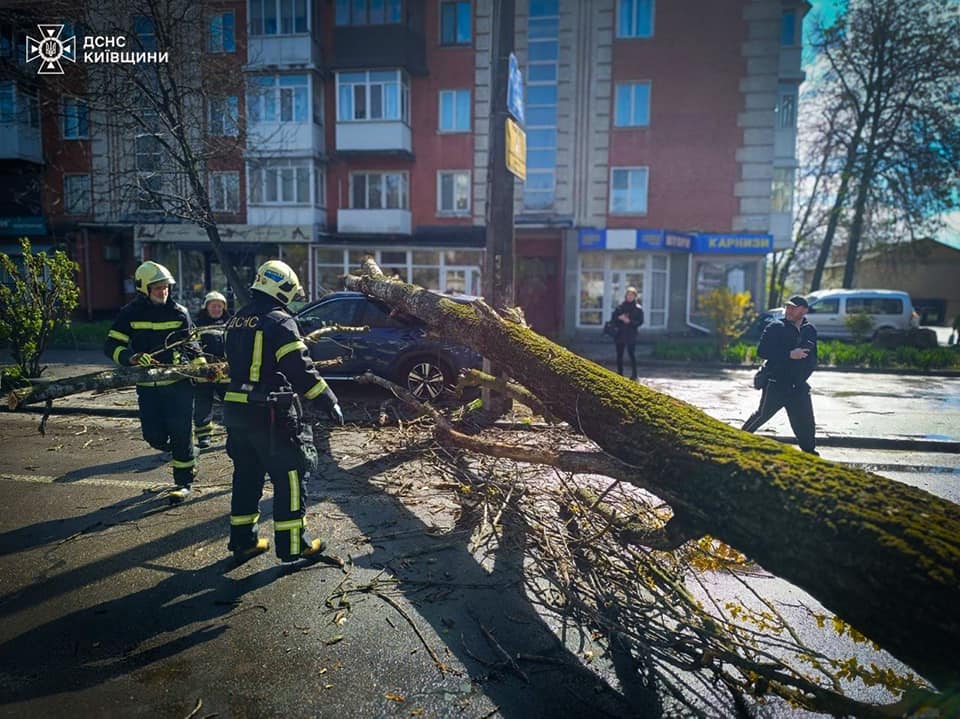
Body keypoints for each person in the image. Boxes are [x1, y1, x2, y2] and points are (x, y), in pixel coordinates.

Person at [223, 260, 344, 564]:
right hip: (269, 414)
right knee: (290, 474)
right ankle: (294, 545)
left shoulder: (238, 319)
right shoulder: (279, 321)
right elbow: (300, 369)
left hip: (235, 411)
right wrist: (328, 400)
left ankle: (243, 541)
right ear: (284, 288)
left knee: (246, 476)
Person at [104, 261, 202, 502]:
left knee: (181, 432)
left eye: (166, 287)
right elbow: (111, 346)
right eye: (158, 287)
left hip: (178, 385)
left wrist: (199, 365)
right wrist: (131, 358)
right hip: (148, 387)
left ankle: (184, 482)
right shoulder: (130, 314)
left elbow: (192, 345)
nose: (164, 291)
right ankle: (184, 452)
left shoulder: (179, 312)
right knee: (154, 436)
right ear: (143, 289)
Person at [741, 295, 818, 454]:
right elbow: (762, 352)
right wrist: (789, 354)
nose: (789, 310)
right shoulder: (775, 327)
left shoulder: (809, 330)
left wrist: (804, 375)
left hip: (799, 386)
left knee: (806, 423)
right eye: (788, 307)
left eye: (793, 308)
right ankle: (735, 441)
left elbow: (812, 358)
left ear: (804, 310)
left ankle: (810, 453)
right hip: (777, 384)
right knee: (761, 416)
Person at [193, 291, 231, 449]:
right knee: (203, 405)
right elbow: (192, 348)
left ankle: (234, 431)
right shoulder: (197, 325)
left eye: (219, 306)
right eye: (213, 306)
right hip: (205, 372)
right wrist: (202, 367)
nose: (216, 309)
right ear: (206, 307)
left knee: (231, 403)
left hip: (226, 372)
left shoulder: (230, 323)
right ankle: (203, 436)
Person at [611, 286, 645, 379]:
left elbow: (640, 321)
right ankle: (620, 373)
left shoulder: (638, 308)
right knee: (619, 355)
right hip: (620, 333)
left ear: (635, 297)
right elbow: (613, 320)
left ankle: (634, 374)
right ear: (625, 296)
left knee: (631, 354)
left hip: (631, 334)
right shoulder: (620, 307)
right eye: (628, 295)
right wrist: (619, 318)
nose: (629, 297)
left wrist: (630, 322)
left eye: (632, 295)